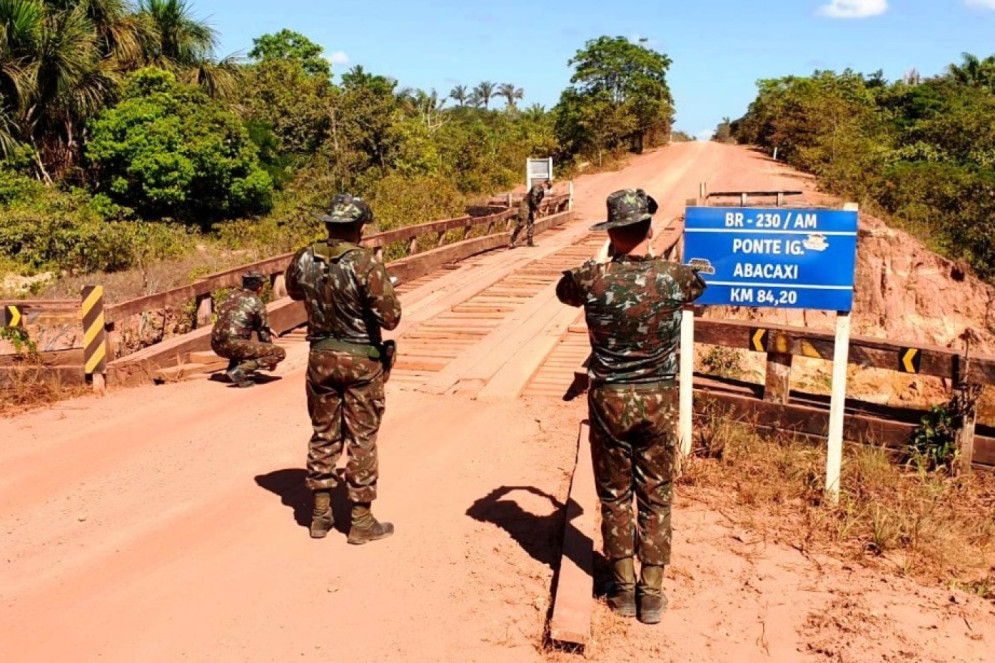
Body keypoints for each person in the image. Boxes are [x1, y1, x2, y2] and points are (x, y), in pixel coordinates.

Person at [555, 189, 706, 625]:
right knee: (657, 496)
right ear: (649, 228)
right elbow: (701, 286)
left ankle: (622, 590)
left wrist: (606, 258)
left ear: (611, 233)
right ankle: (652, 594)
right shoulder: (676, 278)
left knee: (614, 494)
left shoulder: (590, 279)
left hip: (610, 399)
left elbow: (565, 289)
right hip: (658, 397)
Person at [285, 194, 402, 544]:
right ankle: (361, 520)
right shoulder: (364, 263)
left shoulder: (304, 257)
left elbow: (292, 291)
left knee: (324, 431)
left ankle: (320, 515)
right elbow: (391, 318)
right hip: (361, 359)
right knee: (362, 436)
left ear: (329, 224)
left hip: (320, 357)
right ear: (359, 228)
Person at [210, 271, 286, 388]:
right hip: (233, 346)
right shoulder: (257, 302)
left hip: (216, 344)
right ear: (260, 288)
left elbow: (238, 319)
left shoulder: (232, 295)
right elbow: (264, 334)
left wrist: (263, 327)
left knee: (240, 338)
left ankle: (232, 368)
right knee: (279, 352)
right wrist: (271, 358)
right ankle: (239, 371)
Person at [509, 179, 553, 248]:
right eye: (547, 187)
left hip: (531, 206)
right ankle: (513, 239)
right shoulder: (537, 187)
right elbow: (533, 198)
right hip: (525, 204)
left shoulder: (542, 192)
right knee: (523, 222)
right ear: (545, 184)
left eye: (548, 188)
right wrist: (538, 209)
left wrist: (536, 209)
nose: (546, 189)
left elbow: (537, 201)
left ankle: (530, 242)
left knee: (531, 223)